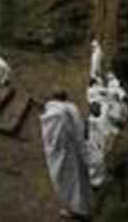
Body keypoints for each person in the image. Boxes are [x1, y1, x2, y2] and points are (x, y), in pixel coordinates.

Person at [40, 88, 93, 220]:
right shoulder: (72, 108)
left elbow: (51, 137)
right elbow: (79, 128)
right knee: (77, 180)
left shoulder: (55, 112)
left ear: (54, 98)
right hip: (74, 149)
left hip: (62, 153)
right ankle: (80, 207)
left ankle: (77, 210)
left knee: (65, 181)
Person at [86, 101, 108, 189]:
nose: (100, 110)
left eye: (99, 108)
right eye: (98, 109)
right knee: (96, 166)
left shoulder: (97, 121)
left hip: (97, 148)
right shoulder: (91, 122)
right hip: (93, 148)